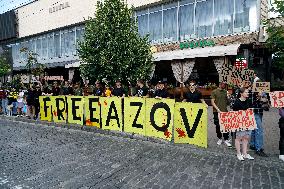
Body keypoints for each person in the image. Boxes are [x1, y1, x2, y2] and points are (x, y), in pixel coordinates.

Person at [232, 87, 254, 161]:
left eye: (248, 92)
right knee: (238, 138)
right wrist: (244, 111)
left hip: (248, 122)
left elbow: (251, 111)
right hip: (240, 123)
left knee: (246, 138)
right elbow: (234, 114)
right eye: (246, 92)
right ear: (241, 93)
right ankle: (238, 153)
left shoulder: (249, 101)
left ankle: (245, 153)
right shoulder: (237, 102)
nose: (247, 93)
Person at [211, 82, 232, 147]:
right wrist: (217, 109)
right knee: (218, 125)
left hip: (225, 111)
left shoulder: (226, 92)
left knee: (225, 126)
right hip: (216, 112)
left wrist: (229, 97)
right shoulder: (214, 92)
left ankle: (226, 139)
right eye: (224, 84)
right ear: (220, 84)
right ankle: (219, 138)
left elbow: (228, 103)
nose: (225, 85)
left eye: (225, 84)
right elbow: (212, 102)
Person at [248, 90, 268, 157]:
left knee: (254, 129)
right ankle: (258, 149)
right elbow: (250, 103)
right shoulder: (250, 91)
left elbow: (266, 105)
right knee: (259, 130)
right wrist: (258, 98)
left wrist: (263, 98)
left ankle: (253, 145)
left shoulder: (263, 91)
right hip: (254, 112)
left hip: (260, 112)